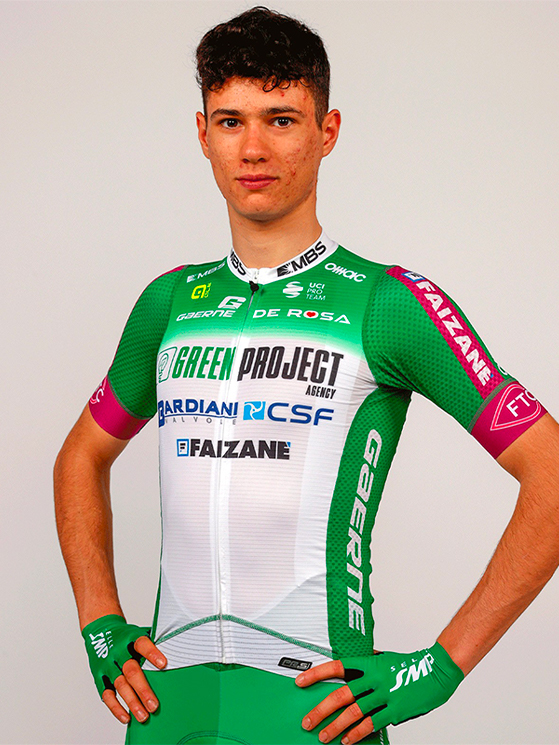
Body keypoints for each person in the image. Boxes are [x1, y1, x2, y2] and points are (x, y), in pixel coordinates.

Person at [54, 6, 559, 745]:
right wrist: (99, 619)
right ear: (202, 134)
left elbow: (552, 470)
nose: (253, 148)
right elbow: (81, 454)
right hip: (167, 712)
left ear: (327, 132)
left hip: (314, 715)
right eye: (230, 121)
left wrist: (440, 668)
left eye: (281, 119)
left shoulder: (389, 304)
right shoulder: (169, 303)